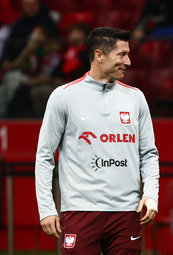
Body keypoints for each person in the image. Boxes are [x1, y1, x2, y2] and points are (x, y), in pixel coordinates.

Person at [35, 27, 159, 254]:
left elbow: (149, 154)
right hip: (80, 210)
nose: (128, 61)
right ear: (99, 55)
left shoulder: (136, 98)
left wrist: (151, 194)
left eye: (128, 54)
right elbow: (44, 156)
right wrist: (46, 209)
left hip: (127, 212)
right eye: (122, 55)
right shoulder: (63, 96)